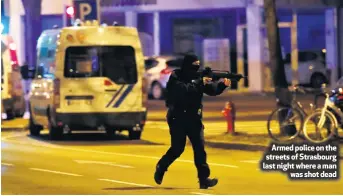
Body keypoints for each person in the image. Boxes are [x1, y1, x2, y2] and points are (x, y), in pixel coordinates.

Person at [154, 54, 231, 189]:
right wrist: (201, 82)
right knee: (177, 149)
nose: (196, 68)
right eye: (193, 65)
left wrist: (222, 85)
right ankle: (161, 167)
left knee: (200, 149)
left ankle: (203, 179)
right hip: (177, 118)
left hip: (194, 118)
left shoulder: (199, 79)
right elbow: (183, 90)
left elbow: (211, 91)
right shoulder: (175, 76)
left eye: (198, 65)